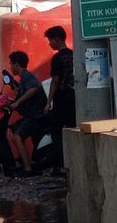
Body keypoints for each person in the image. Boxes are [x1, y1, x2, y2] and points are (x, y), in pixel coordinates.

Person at [6, 50, 48, 177]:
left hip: (36, 116)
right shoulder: (22, 79)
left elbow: (34, 88)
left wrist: (18, 102)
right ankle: (24, 161)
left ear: (17, 65)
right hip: (30, 115)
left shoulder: (27, 77)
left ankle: (28, 168)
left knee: (17, 137)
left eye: (11, 64)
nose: (10, 66)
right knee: (13, 129)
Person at [44, 26, 75, 171]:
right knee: (73, 129)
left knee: (56, 131)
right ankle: (73, 161)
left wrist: (48, 102)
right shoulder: (75, 54)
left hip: (62, 99)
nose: (49, 44)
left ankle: (60, 164)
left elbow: (55, 80)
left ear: (57, 39)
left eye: (50, 41)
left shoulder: (57, 58)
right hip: (75, 98)